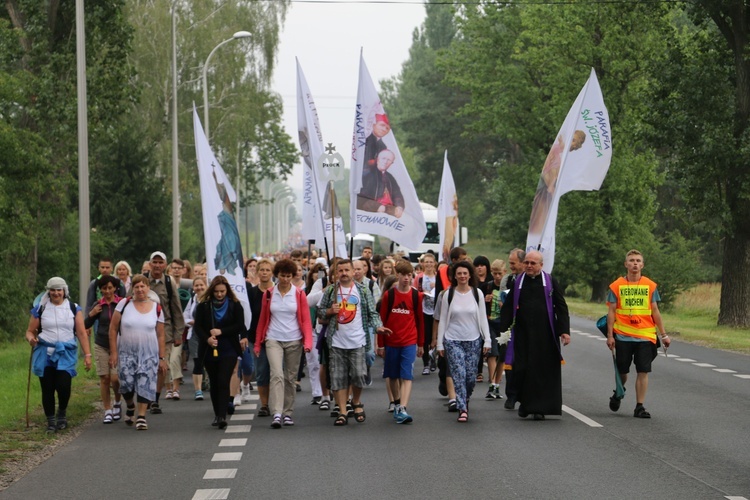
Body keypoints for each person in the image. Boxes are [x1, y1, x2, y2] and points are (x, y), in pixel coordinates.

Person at [317, 259, 391, 426]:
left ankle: (356, 401)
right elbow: (320, 313)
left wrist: (378, 327)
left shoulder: (363, 290)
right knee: (337, 378)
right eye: (340, 270)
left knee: (358, 375)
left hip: (358, 341)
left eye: (346, 270)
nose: (343, 273)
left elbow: (372, 313)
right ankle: (342, 411)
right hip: (336, 342)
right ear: (336, 273)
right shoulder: (330, 291)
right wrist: (329, 311)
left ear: (353, 272)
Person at [498, 250, 570, 421]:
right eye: (527, 263)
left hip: (545, 334)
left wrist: (564, 331)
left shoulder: (550, 281)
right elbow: (508, 307)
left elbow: (561, 307)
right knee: (522, 368)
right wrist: (503, 330)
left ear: (541, 265)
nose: (529, 266)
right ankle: (525, 403)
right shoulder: (518, 282)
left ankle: (539, 408)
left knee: (541, 371)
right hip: (522, 334)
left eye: (533, 263)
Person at [606, 249, 670, 418]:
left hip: (645, 335)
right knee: (622, 371)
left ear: (642, 265)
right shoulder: (616, 286)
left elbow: (655, 311)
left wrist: (663, 335)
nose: (635, 263)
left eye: (638, 260)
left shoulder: (650, 285)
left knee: (643, 370)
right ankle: (619, 391)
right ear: (626, 264)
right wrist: (610, 335)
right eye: (632, 260)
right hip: (622, 335)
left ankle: (639, 406)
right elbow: (611, 312)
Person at [25, 277, 92, 432]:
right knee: (47, 388)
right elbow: (29, 331)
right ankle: (51, 421)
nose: (56, 293)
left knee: (63, 386)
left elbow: (81, 333)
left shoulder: (74, 308)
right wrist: (31, 339)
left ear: (64, 291)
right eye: (53, 290)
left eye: (59, 290)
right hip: (45, 352)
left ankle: (62, 412)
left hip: (65, 352)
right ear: (49, 292)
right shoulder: (40, 309)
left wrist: (87, 355)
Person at [254, 259, 313, 428]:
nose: (285, 279)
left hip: (294, 340)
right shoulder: (269, 294)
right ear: (277, 275)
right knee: (277, 374)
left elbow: (306, 321)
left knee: (290, 377)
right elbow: (262, 320)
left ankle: (288, 412)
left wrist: (307, 342)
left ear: (292, 276)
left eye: (288, 276)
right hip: (273, 338)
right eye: (282, 276)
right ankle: (277, 413)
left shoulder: (299, 294)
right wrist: (258, 344)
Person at [108, 274, 167, 431]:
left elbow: (161, 335)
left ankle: (141, 417)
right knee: (125, 384)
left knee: (145, 383)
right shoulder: (124, 304)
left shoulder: (157, 308)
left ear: (148, 288)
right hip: (126, 353)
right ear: (132, 289)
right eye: (137, 287)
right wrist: (113, 352)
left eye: (143, 286)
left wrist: (162, 357)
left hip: (149, 354)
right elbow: (113, 329)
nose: (140, 289)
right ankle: (130, 405)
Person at [436, 262, 491, 423]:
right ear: (454, 276)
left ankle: (464, 398)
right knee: (459, 374)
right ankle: (462, 408)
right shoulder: (449, 294)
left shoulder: (477, 293)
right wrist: (440, 343)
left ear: (469, 275)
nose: (462, 276)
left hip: (473, 340)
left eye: (465, 273)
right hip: (453, 340)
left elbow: (482, 318)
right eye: (459, 273)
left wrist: (487, 339)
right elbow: (443, 319)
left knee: (470, 378)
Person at [193, 276, 247, 429]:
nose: (219, 294)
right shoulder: (203, 306)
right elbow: (198, 327)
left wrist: (221, 331)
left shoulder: (235, 305)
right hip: (210, 348)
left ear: (227, 290)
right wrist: (207, 339)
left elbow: (239, 325)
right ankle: (217, 413)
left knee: (224, 379)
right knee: (215, 381)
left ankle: (222, 415)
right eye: (216, 292)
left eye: (222, 291)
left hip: (229, 347)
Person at [378, 261, 424, 424]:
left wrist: (420, 343)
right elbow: (381, 322)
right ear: (397, 275)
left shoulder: (416, 296)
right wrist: (381, 344)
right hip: (391, 341)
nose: (406, 278)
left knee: (406, 375)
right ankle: (396, 403)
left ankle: (403, 408)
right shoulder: (388, 296)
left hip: (409, 341)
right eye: (403, 275)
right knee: (392, 375)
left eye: (409, 275)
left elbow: (420, 321)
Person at [144, 251, 186, 410]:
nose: (157, 265)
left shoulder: (169, 283)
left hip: (165, 332)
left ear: (164, 265)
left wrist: (178, 334)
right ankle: (145, 394)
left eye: (160, 262)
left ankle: (155, 398)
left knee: (162, 366)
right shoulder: (142, 281)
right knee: (146, 366)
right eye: (154, 262)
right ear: (150, 264)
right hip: (144, 331)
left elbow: (176, 309)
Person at [528, 130, 586, 236]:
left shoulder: (569, 159)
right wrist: (550, 185)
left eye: (573, 141)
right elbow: (546, 171)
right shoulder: (557, 151)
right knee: (539, 221)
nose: (570, 143)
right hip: (545, 190)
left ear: (577, 145)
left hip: (552, 190)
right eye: (570, 139)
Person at [84, 275, 124, 423]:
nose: (107, 291)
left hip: (118, 344)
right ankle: (107, 409)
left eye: (110, 288)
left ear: (115, 288)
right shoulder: (98, 304)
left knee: (115, 378)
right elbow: (85, 325)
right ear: (100, 289)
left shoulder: (121, 304)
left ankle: (117, 402)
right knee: (104, 378)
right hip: (101, 343)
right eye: (104, 288)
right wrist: (91, 314)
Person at [248, 259, 275, 417]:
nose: (264, 272)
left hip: (276, 336)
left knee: (277, 371)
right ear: (257, 272)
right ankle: (264, 404)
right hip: (256, 338)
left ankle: (276, 402)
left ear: (272, 272)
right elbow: (247, 316)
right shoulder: (252, 293)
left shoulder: (277, 291)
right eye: (262, 270)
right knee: (261, 371)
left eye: (267, 270)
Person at [500, 248, 525, 409]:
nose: (511, 266)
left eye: (513, 263)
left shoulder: (530, 280)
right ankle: (511, 395)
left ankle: (523, 394)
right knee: (509, 362)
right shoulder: (508, 279)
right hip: (511, 328)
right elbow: (503, 303)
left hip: (525, 328)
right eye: (509, 263)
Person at [482, 259, 508, 400]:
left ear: (505, 273)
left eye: (500, 273)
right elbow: (479, 303)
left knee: (502, 356)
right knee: (492, 353)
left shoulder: (508, 287)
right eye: (495, 273)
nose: (497, 276)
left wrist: (504, 302)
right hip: (490, 322)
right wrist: (485, 299)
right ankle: (491, 384)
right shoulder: (488, 286)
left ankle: (497, 384)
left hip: (504, 324)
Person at [357, 149, 405, 218]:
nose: (385, 162)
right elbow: (356, 199)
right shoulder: (366, 175)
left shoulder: (390, 177)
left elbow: (397, 194)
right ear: (378, 159)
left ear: (391, 163)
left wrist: (399, 207)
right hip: (369, 215)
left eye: (389, 160)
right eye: (383, 158)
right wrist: (376, 207)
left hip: (388, 213)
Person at [184, 276, 208, 400]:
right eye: (196, 285)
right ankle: (198, 390)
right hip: (194, 335)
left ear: (206, 286)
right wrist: (193, 322)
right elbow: (185, 316)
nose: (199, 288)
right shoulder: (193, 299)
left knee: (209, 361)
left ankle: (210, 383)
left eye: (201, 285)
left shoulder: (210, 299)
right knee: (197, 362)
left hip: (209, 335)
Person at [413, 252, 437, 375]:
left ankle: (434, 357)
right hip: (424, 310)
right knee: (426, 337)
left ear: (434, 263)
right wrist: (423, 293)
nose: (428, 264)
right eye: (426, 262)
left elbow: (444, 292)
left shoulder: (438, 277)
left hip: (436, 310)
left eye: (430, 262)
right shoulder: (419, 277)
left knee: (436, 337)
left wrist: (436, 287)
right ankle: (426, 363)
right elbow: (414, 292)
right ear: (422, 264)